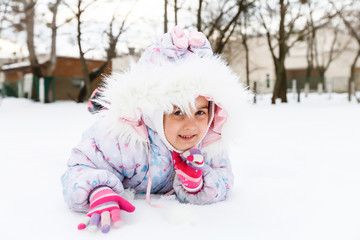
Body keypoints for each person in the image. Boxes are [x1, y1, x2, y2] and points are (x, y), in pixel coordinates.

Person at [61, 25, 250, 233]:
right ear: (155, 113)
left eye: (200, 112)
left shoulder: (209, 143)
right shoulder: (121, 140)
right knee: (115, 111)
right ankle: (103, 104)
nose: (191, 125)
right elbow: (80, 166)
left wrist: (199, 183)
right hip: (133, 122)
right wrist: (98, 190)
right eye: (178, 112)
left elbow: (225, 177)